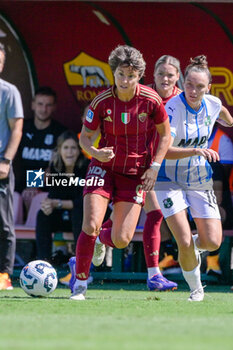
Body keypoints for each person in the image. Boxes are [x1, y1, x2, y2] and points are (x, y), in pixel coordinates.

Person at [69, 45, 171, 300]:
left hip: (134, 173)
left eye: (131, 76)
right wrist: (95, 152)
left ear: (139, 76)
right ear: (113, 73)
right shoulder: (101, 102)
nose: (125, 81)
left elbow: (165, 135)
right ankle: (80, 286)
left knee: (123, 239)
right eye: (120, 75)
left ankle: (101, 241)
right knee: (90, 224)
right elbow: (85, 138)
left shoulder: (151, 100)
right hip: (102, 168)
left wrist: (155, 167)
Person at [155, 55, 233, 301]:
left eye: (200, 86)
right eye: (189, 84)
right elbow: (164, 150)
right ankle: (196, 290)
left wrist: (226, 118)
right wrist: (198, 150)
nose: (193, 90)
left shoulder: (211, 102)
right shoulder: (172, 108)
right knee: (184, 239)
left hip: (199, 178)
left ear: (208, 87)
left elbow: (224, 114)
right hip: (168, 179)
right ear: (182, 81)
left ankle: (189, 249)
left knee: (212, 241)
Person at [36, 130, 89, 263]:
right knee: (42, 215)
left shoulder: (87, 168)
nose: (69, 152)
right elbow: (52, 195)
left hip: (85, 219)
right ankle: (44, 262)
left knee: (78, 213)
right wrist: (48, 205)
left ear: (79, 150)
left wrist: (57, 203)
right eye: (65, 148)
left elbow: (83, 202)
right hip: (64, 218)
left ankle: (81, 264)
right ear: (59, 150)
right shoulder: (54, 168)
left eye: (73, 148)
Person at [14, 86, 65, 213]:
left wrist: (33, 185)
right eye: (40, 104)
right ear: (32, 105)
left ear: (54, 107)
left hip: (48, 188)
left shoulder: (60, 132)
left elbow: (55, 165)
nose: (43, 109)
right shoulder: (21, 128)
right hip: (20, 185)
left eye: (48, 105)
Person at [0, 43, 24, 290]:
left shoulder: (9, 91)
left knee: (3, 224)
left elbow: (16, 129)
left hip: (0, 166)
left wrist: (6, 160)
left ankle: (4, 276)